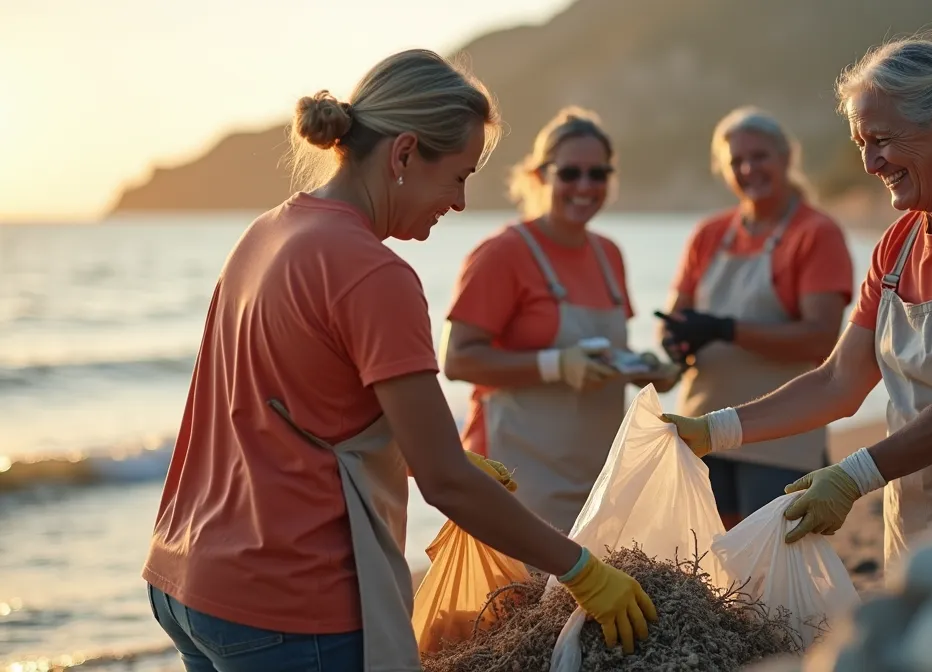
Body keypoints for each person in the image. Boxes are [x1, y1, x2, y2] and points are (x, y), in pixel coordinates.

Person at [141, 51, 655, 672]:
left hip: (188, 580)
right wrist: (584, 571)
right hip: (290, 603)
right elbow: (446, 483)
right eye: (459, 177)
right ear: (405, 154)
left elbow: (281, 405)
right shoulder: (373, 273)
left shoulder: (267, 232)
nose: (460, 202)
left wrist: (419, 452)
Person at [662, 30, 932, 572]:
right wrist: (713, 430)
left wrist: (852, 476)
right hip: (924, 523)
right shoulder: (898, 244)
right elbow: (838, 382)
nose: (871, 163)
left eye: (882, 140)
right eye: (861, 145)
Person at [441, 106, 681, 534]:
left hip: (597, 480)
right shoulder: (503, 253)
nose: (584, 186)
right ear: (540, 175)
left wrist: (642, 369)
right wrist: (555, 365)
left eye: (598, 174)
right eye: (570, 174)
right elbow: (457, 360)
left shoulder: (609, 254)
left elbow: (602, 353)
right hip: (515, 481)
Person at [655, 106, 855, 530]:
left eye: (760, 155)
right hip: (701, 426)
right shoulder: (708, 234)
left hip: (779, 438)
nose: (748, 168)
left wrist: (726, 330)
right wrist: (676, 340)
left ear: (786, 157)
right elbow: (673, 318)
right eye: (735, 161)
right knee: (704, 561)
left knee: (767, 567)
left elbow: (821, 340)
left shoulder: (817, 234)